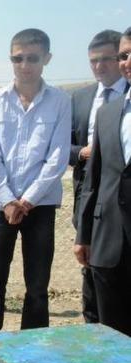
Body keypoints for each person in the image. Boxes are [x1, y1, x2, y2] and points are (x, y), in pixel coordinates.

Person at [0, 29, 71, 334]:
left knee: (37, 286)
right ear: (11, 59)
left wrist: (27, 200)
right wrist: (7, 200)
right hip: (0, 206)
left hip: (39, 206)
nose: (25, 65)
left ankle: (34, 350)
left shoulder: (59, 101)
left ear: (47, 58)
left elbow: (57, 157)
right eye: (18, 58)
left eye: (32, 58)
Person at [74, 27, 131, 337]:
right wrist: (84, 234)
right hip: (108, 242)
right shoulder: (108, 114)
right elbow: (94, 182)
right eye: (123, 55)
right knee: (111, 335)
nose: (127, 62)